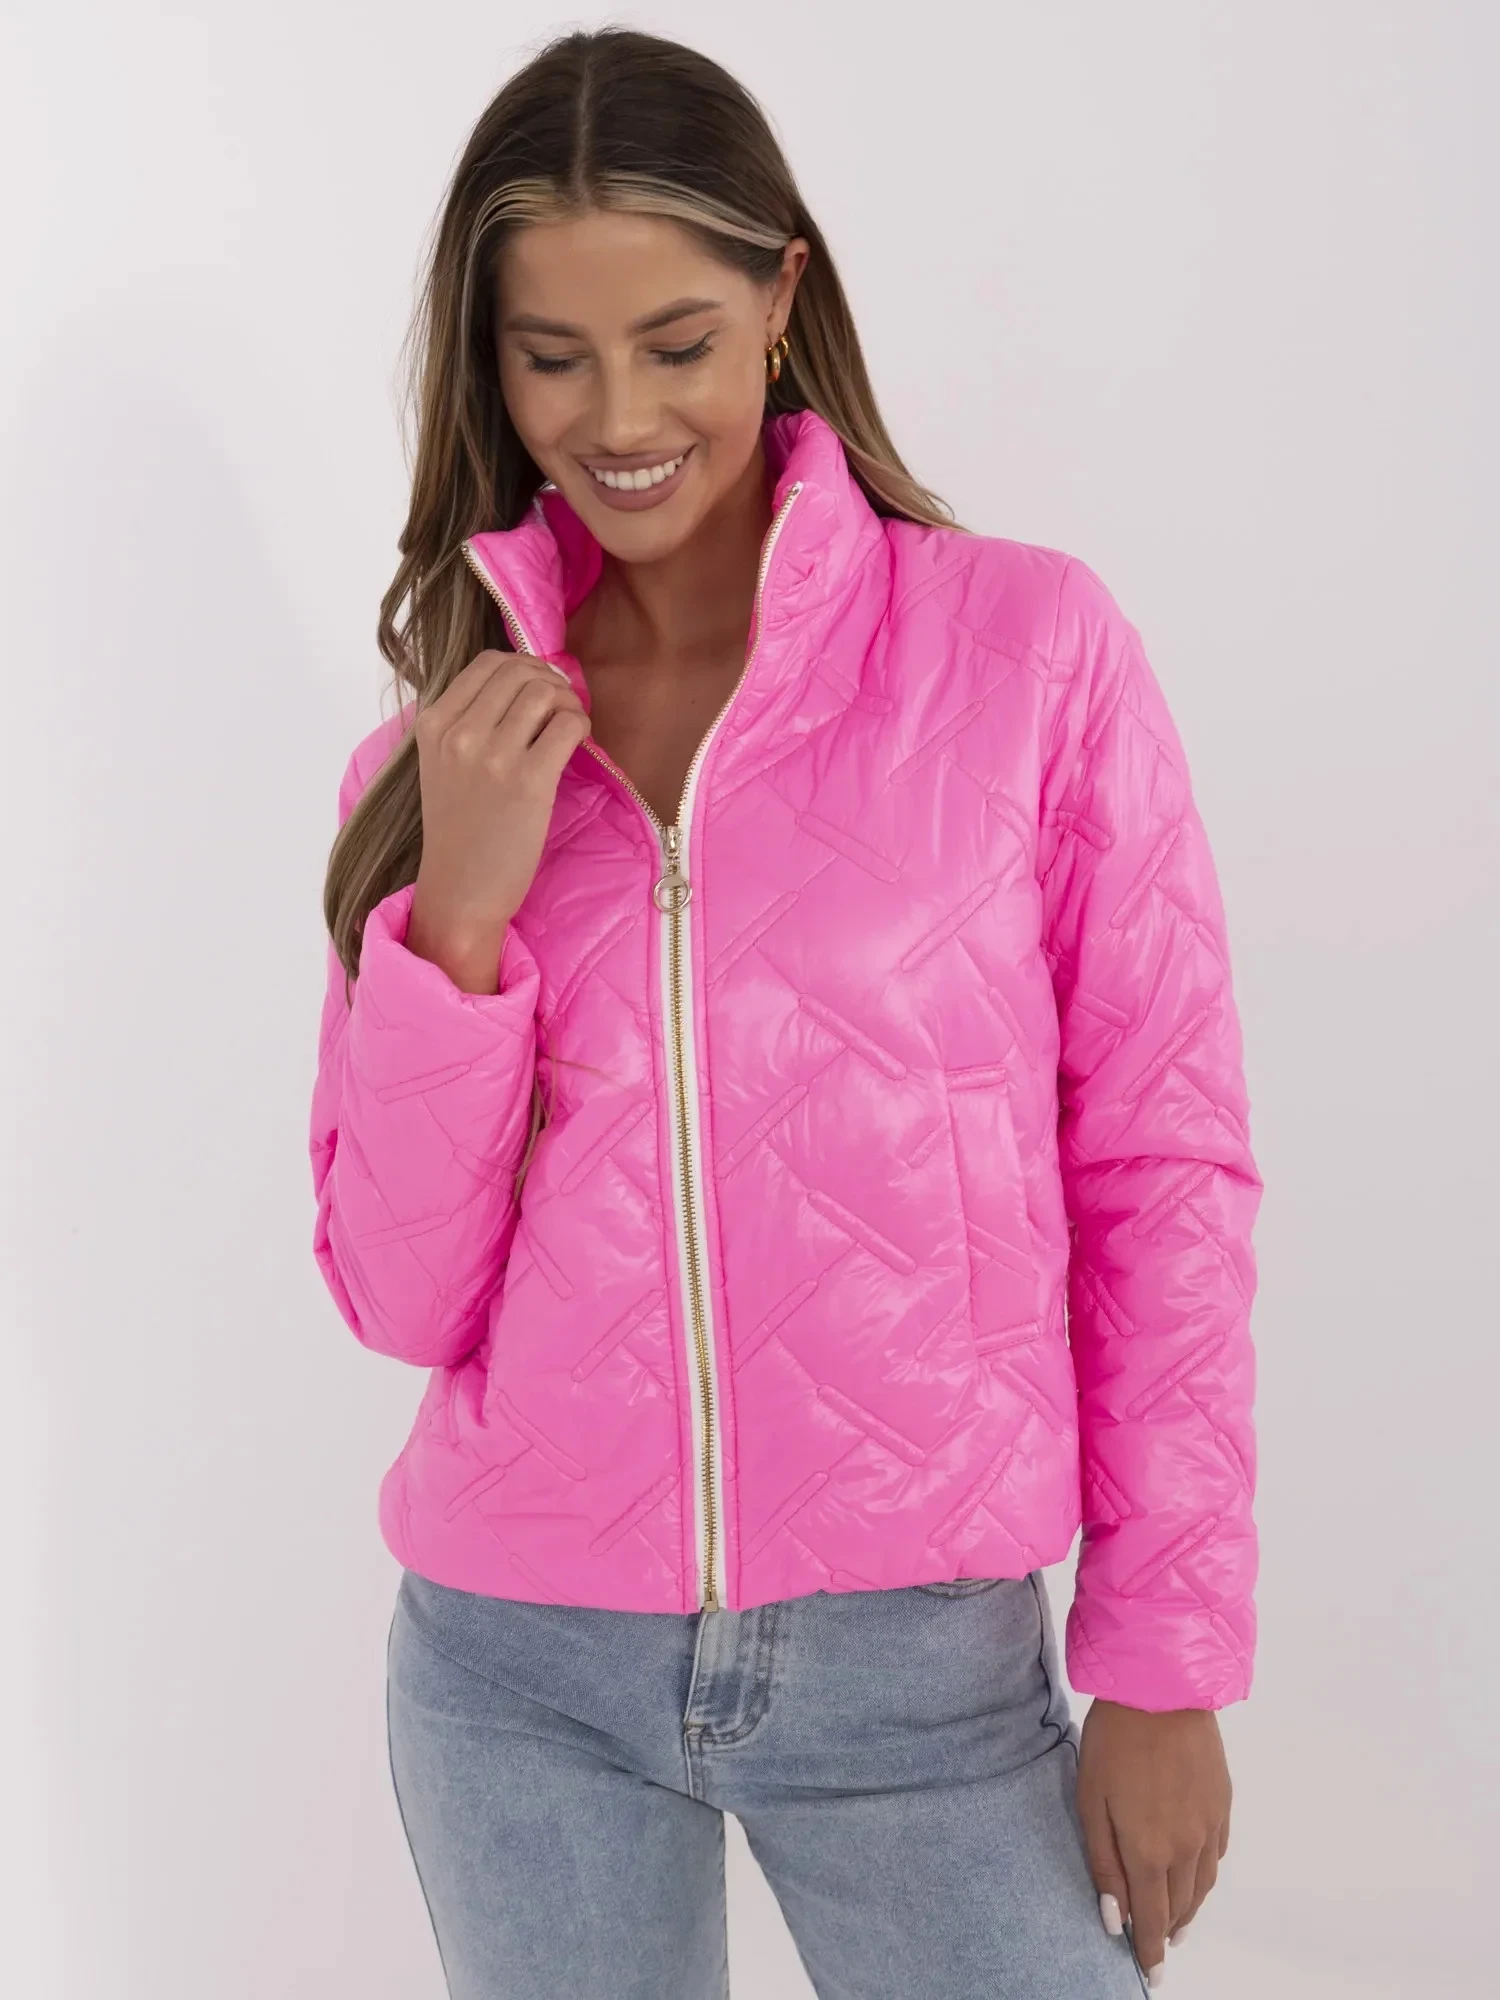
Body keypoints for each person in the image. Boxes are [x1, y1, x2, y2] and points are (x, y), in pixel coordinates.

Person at [309, 26, 1261, 2000]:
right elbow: (400, 1299)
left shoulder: (1025, 653)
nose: (618, 415)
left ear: (780, 300)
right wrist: (459, 916)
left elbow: (1161, 1168)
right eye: (550, 356)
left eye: (675, 340)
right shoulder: (436, 765)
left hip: (923, 1678)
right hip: (517, 1674)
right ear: (489, 366)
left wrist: (1166, 1658)